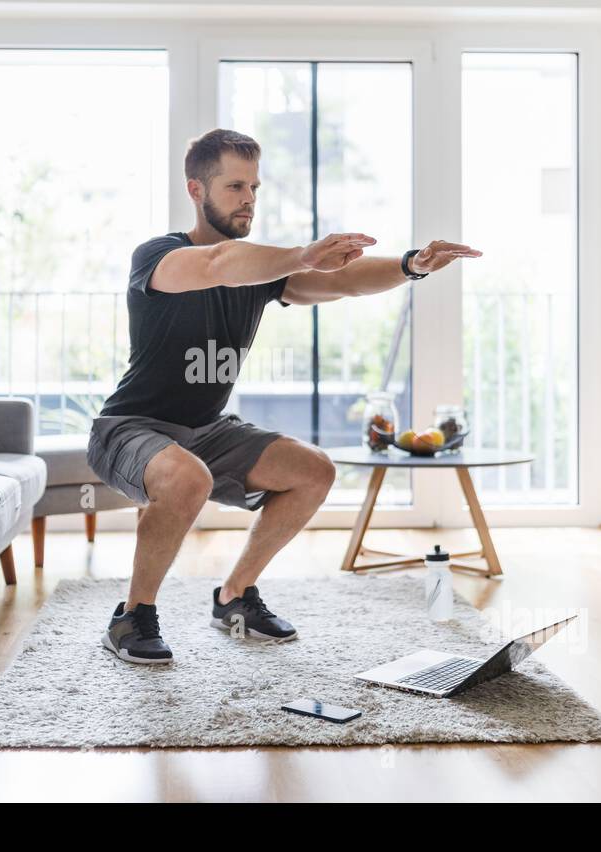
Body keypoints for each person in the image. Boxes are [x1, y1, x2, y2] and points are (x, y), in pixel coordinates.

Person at [87, 128, 481, 664]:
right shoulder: (159, 255)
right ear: (196, 191)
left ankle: (234, 597)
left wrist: (410, 265)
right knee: (187, 478)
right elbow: (217, 265)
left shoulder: (264, 275)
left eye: (254, 187)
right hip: (130, 428)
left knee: (313, 470)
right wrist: (302, 255)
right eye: (234, 187)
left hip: (207, 429)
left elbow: (343, 283)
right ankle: (132, 616)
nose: (249, 198)